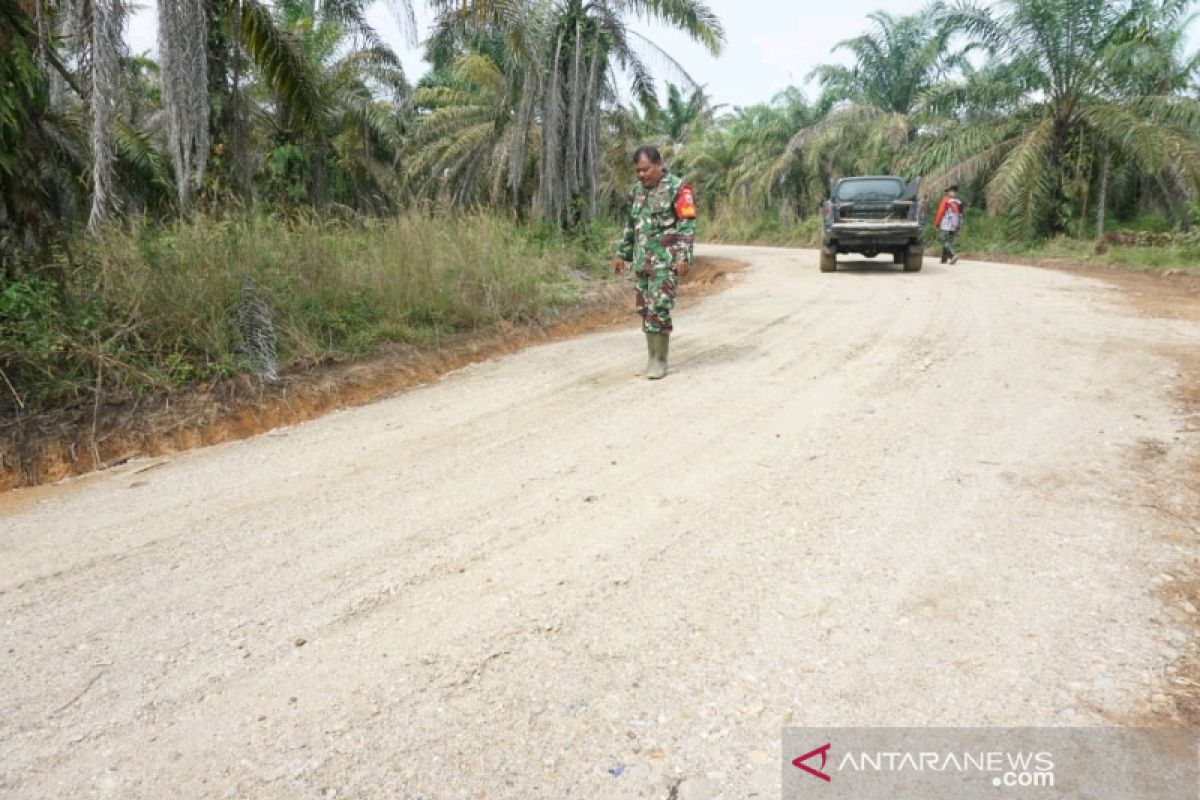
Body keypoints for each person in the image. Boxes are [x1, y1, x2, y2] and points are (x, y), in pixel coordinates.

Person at [612, 145, 697, 380]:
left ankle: (660, 361)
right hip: (642, 261)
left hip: (665, 261)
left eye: (646, 170)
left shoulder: (679, 188)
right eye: (638, 171)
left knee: (659, 308)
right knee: (644, 309)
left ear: (659, 164)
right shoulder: (636, 192)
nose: (641, 175)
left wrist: (683, 256)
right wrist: (622, 254)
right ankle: (651, 356)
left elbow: (687, 225)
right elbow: (631, 226)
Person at [933, 184, 965, 264]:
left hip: (946, 224)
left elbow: (941, 212)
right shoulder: (959, 201)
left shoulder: (946, 200)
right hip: (955, 225)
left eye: (949, 191)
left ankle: (953, 255)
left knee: (943, 240)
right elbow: (961, 215)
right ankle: (944, 259)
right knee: (949, 241)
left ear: (948, 192)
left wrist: (937, 223)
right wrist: (959, 226)